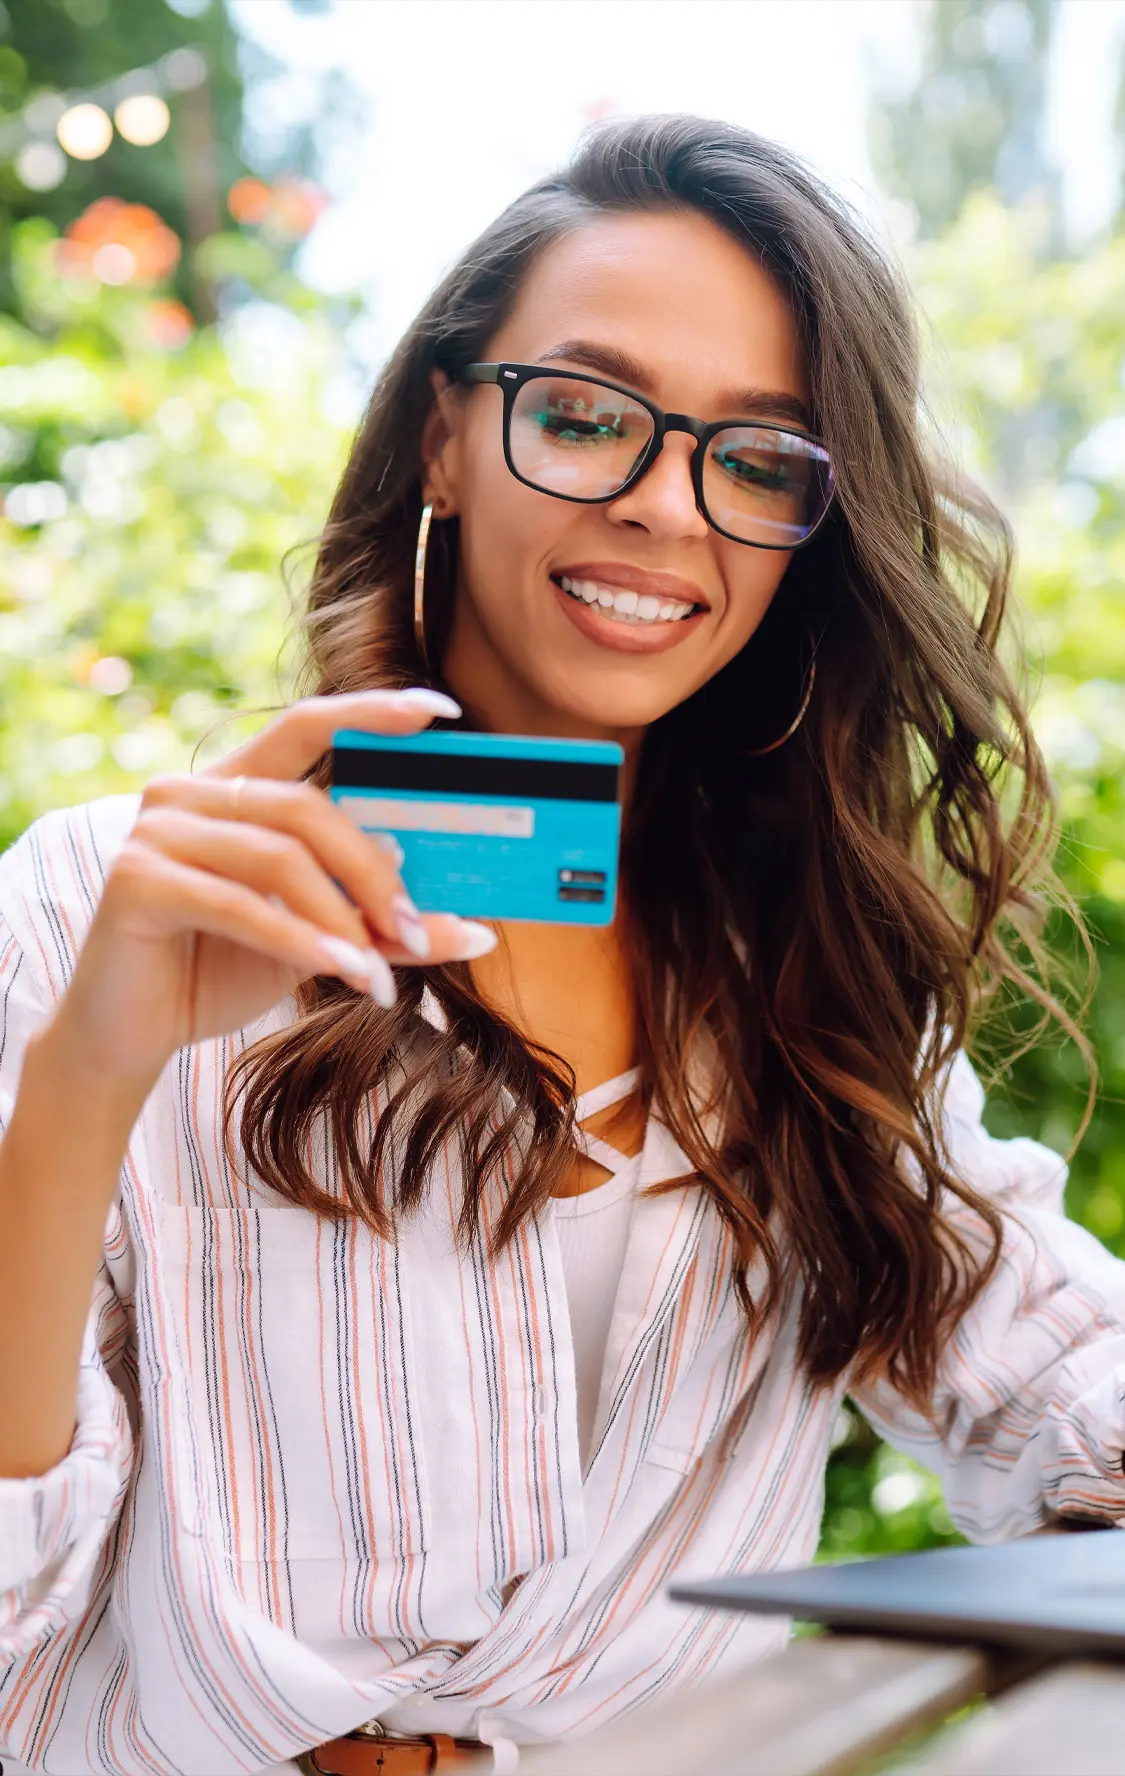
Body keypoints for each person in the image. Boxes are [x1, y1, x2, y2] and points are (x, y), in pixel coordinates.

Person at [1, 112, 1123, 1776]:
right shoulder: (116, 898)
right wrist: (88, 1082)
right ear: (444, 439)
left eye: (755, 459)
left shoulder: (805, 984)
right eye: (586, 416)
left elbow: (1058, 1371)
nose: (668, 506)